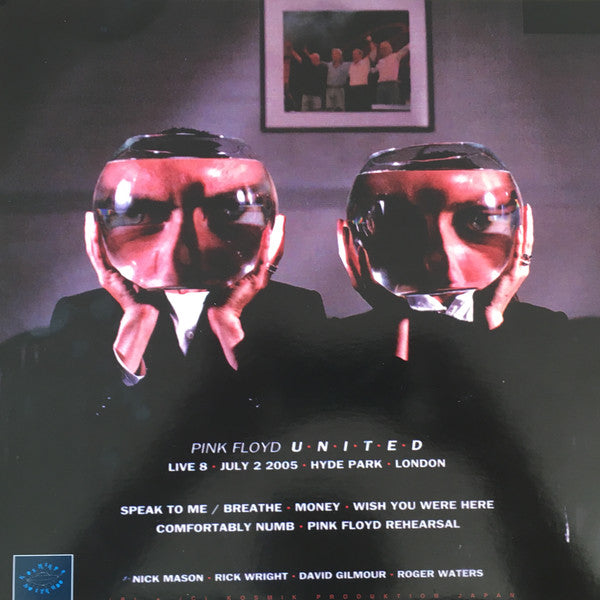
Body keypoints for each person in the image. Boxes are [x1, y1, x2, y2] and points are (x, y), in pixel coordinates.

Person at [0, 128, 327, 598]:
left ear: (271, 231)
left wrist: (231, 324)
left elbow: (303, 443)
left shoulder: (296, 311)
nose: (181, 248)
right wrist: (132, 333)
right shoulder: (79, 318)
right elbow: (65, 455)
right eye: (141, 215)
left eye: (226, 212)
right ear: (99, 231)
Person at [333, 142, 598, 598]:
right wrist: (393, 321)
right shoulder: (335, 346)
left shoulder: (556, 338)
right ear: (355, 239)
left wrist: (493, 320)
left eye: (476, 221)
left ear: (519, 230)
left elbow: (544, 470)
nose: (442, 251)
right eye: (403, 223)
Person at [373, 41, 410, 105]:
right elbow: (373, 70)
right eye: (382, 48)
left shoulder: (395, 56)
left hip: (392, 85)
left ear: (390, 48)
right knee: (380, 106)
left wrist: (414, 39)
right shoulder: (380, 61)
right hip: (381, 85)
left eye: (385, 47)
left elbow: (405, 48)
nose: (383, 50)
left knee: (393, 105)